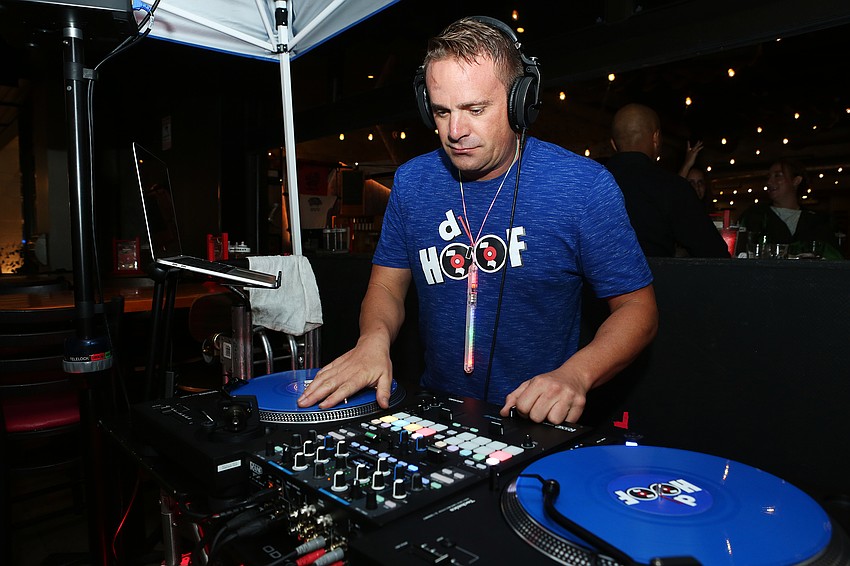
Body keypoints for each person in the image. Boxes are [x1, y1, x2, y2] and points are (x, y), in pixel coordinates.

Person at [297, 17, 658, 425]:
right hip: (436, 412)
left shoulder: (583, 187)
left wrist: (576, 374)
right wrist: (372, 341)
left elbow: (637, 309)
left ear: (519, 101)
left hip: (537, 421)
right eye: (441, 111)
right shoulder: (412, 183)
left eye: (475, 109)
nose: (455, 130)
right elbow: (386, 285)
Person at [605, 103, 730, 258]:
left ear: (613, 144)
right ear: (656, 138)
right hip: (656, 281)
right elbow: (714, 254)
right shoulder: (672, 187)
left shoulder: (586, 185)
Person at [737, 158, 843, 259]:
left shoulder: (817, 223)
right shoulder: (754, 216)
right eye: (769, 177)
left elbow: (834, 261)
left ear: (796, 181)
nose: (769, 182)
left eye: (777, 176)